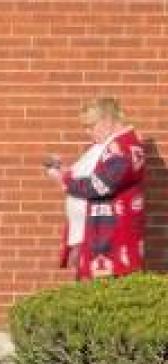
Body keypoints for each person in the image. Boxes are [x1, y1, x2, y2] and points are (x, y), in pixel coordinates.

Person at [45, 98, 147, 280]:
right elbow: (88, 178)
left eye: (91, 126)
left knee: (108, 299)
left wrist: (64, 180)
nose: (87, 132)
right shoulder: (103, 146)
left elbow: (100, 185)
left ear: (107, 121)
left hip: (112, 242)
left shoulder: (125, 147)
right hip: (95, 238)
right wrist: (65, 171)